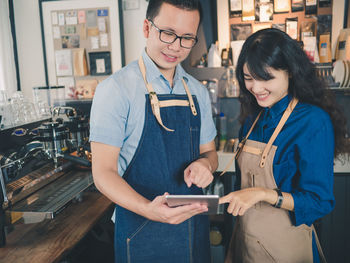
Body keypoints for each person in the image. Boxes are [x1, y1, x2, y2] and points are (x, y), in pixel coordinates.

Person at [89, 0, 218, 262]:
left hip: (192, 228)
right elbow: (103, 173)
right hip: (140, 230)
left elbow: (210, 152)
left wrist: (206, 164)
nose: (175, 47)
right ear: (147, 28)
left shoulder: (198, 92)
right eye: (168, 33)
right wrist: (148, 209)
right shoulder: (115, 90)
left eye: (187, 38)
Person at [219, 28, 350, 263]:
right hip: (245, 244)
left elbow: (320, 201)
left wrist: (264, 194)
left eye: (266, 78)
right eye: (249, 78)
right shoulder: (252, 119)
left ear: (290, 71)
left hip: (286, 251)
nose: (256, 88)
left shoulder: (312, 121)